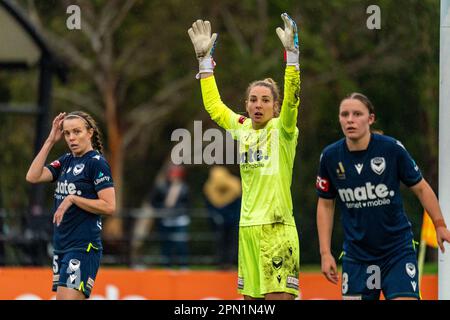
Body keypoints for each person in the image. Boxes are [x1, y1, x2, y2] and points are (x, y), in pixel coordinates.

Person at [188, 13, 301, 300]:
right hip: (247, 229)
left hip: (277, 228)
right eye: (253, 99)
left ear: (276, 107)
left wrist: (292, 57)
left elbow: (293, 99)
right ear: (246, 105)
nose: (258, 104)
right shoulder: (241, 128)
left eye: (266, 100)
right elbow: (214, 107)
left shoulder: (283, 129)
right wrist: (204, 62)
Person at [316, 92, 450, 300]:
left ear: (370, 119)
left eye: (357, 114)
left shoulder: (391, 149)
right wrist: (325, 253)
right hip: (356, 256)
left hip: (396, 251)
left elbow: (422, 188)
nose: (350, 119)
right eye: (345, 114)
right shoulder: (330, 157)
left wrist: (440, 224)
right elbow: (325, 205)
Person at [26, 111, 116, 300]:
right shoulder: (66, 160)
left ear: (89, 132)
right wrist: (51, 140)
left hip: (83, 247)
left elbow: (109, 206)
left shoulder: (96, 163)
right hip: (62, 246)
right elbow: (33, 176)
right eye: (67, 133)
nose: (71, 137)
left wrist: (73, 198)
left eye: (77, 131)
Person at [151, 165, 190, 268]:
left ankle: (183, 266)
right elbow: (154, 202)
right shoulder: (161, 186)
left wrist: (180, 210)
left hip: (179, 218)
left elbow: (188, 203)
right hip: (166, 219)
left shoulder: (184, 188)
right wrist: (162, 210)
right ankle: (166, 266)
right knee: (166, 243)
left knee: (181, 243)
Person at [203, 166, 241, 269]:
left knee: (233, 241)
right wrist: (216, 216)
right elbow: (209, 206)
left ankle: (231, 261)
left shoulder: (234, 185)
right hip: (219, 220)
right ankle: (221, 262)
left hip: (232, 219)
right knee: (220, 241)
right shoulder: (210, 187)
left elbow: (238, 205)